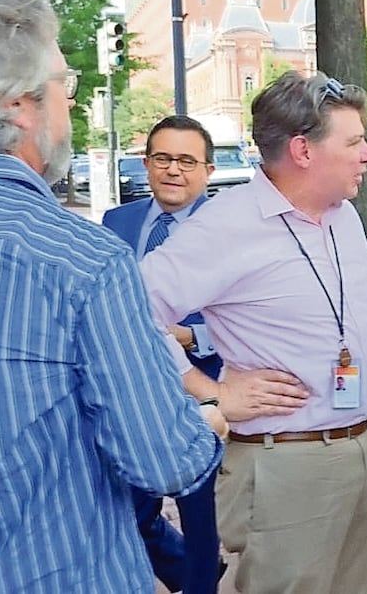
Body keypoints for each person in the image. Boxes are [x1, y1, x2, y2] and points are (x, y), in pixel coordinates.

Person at [0, 0, 223, 592]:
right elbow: (163, 461)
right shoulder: (82, 259)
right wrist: (211, 412)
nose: (69, 107)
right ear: (16, 104)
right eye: (63, 87)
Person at [136, 70, 367, 593]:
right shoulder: (226, 225)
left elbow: (332, 315)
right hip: (286, 464)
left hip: (361, 449)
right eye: (354, 142)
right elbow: (126, 313)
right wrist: (208, 391)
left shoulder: (343, 217)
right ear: (304, 150)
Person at [104, 115, 307, 593]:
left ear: (208, 171)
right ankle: (183, 572)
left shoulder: (229, 226)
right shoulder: (118, 222)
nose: (173, 170)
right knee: (130, 504)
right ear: (146, 163)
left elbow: (258, 310)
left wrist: (194, 339)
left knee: (202, 515)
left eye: (186, 161)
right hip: (134, 388)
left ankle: (200, 582)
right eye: (162, 159)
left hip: (205, 390)